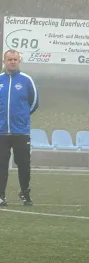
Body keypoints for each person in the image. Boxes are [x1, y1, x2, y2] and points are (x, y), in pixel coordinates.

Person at [0, 50, 39, 207]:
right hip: (1, 132)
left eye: (15, 59)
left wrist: (22, 117)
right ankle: (1, 195)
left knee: (23, 164)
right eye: (9, 59)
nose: (12, 62)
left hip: (21, 131)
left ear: (19, 61)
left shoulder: (26, 80)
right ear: (4, 61)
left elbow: (34, 102)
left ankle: (24, 192)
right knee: (1, 164)